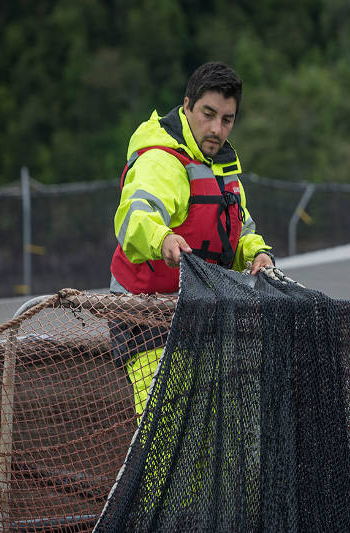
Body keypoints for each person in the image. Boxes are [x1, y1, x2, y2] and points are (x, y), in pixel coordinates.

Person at [109, 61, 274, 415]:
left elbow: (241, 228)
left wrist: (256, 254)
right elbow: (134, 219)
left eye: (227, 119)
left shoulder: (223, 167)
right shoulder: (161, 161)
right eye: (208, 114)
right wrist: (163, 239)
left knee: (222, 438)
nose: (216, 129)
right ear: (187, 107)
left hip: (201, 317)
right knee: (165, 442)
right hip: (146, 321)